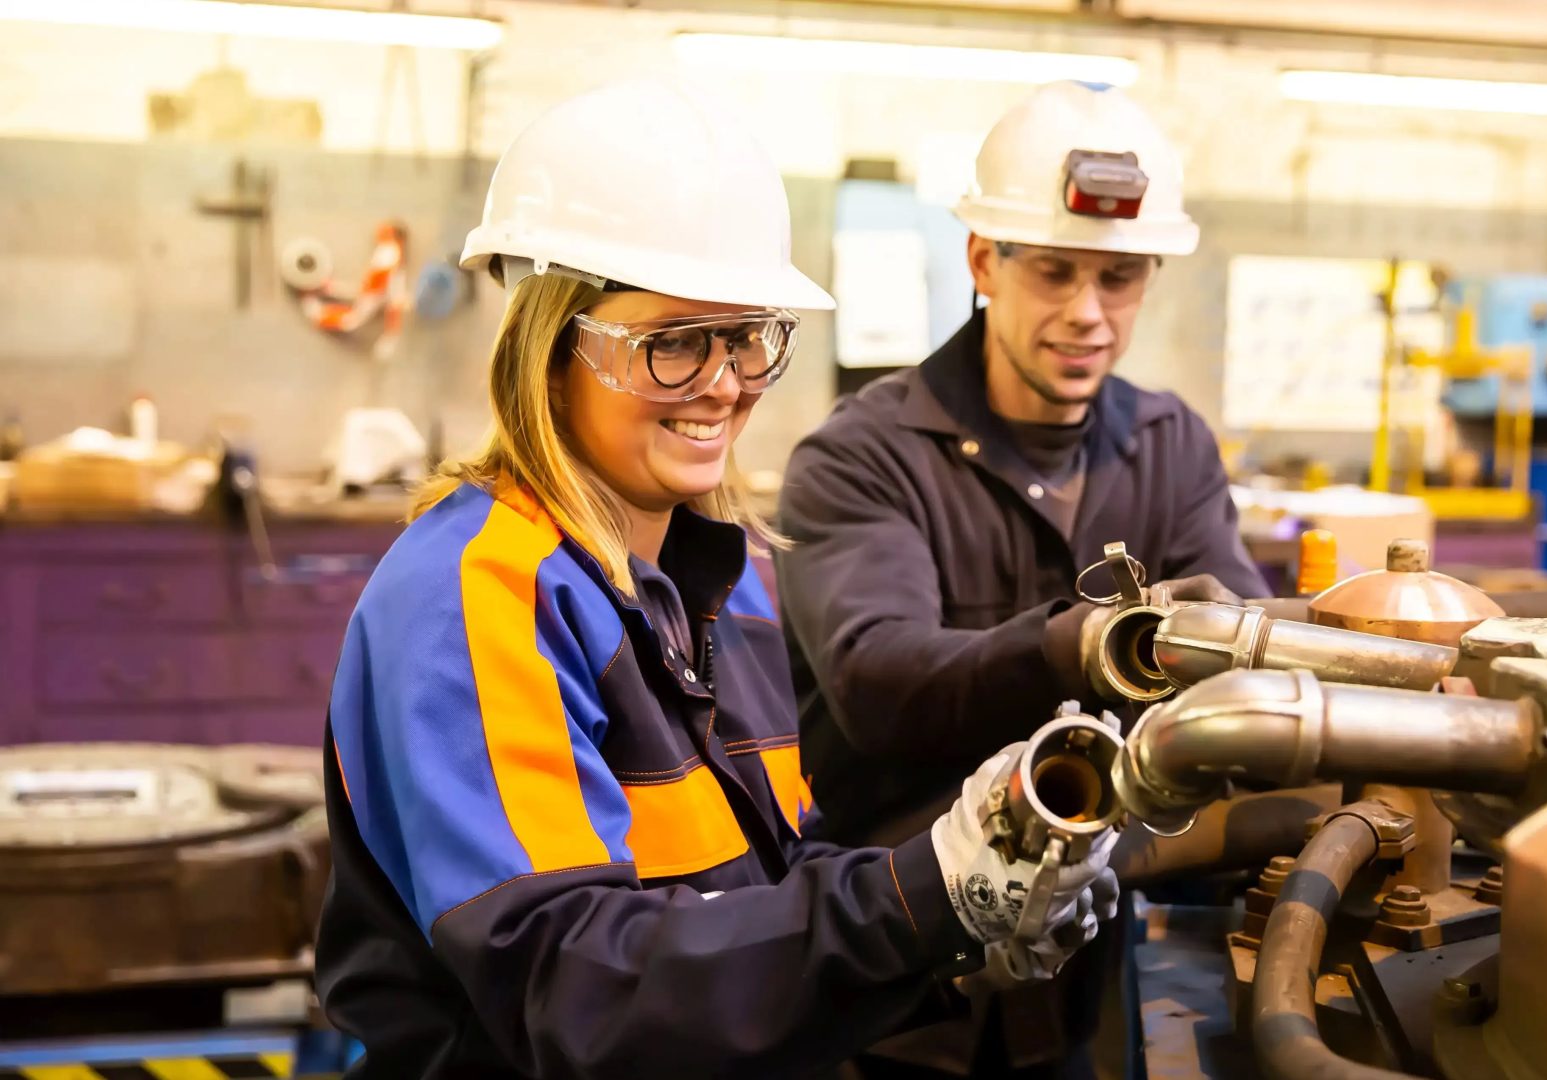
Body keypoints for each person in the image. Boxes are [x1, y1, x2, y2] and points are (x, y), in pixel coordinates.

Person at [314, 78, 1117, 1080]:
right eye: (673, 345)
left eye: (747, 336)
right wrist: (920, 896)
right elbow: (570, 987)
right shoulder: (479, 590)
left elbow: (764, 894)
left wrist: (965, 930)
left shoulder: (723, 579)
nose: (726, 382)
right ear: (550, 343)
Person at [776, 81, 1268, 1075]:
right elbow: (879, 679)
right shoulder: (864, 455)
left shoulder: (1171, 448)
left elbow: (1242, 678)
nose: (1087, 313)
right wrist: (1087, 642)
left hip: (1093, 958)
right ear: (982, 263)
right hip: (893, 975)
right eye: (1054, 271)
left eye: (1120, 277)